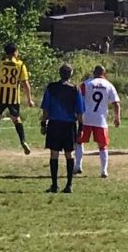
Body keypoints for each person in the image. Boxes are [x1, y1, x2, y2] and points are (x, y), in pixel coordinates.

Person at [40, 64, 85, 193]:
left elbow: (46, 109)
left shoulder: (51, 88)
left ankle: (54, 185)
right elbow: (80, 111)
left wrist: (43, 124)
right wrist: (80, 128)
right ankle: (69, 185)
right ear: (71, 74)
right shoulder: (75, 89)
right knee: (69, 154)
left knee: (54, 153)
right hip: (69, 125)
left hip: (54, 124)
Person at [0, 43, 34, 155]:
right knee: (16, 119)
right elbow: (25, 84)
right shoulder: (20, 65)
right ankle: (23, 141)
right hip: (14, 98)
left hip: (0, 97)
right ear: (15, 52)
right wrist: (29, 99)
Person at [75, 66, 120, 178]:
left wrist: (76, 113)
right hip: (100, 120)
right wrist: (117, 117)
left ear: (93, 72)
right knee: (103, 145)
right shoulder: (109, 85)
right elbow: (116, 103)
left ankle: (78, 165)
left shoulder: (86, 83)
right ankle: (104, 170)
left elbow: (78, 99)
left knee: (79, 141)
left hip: (86, 118)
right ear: (104, 73)